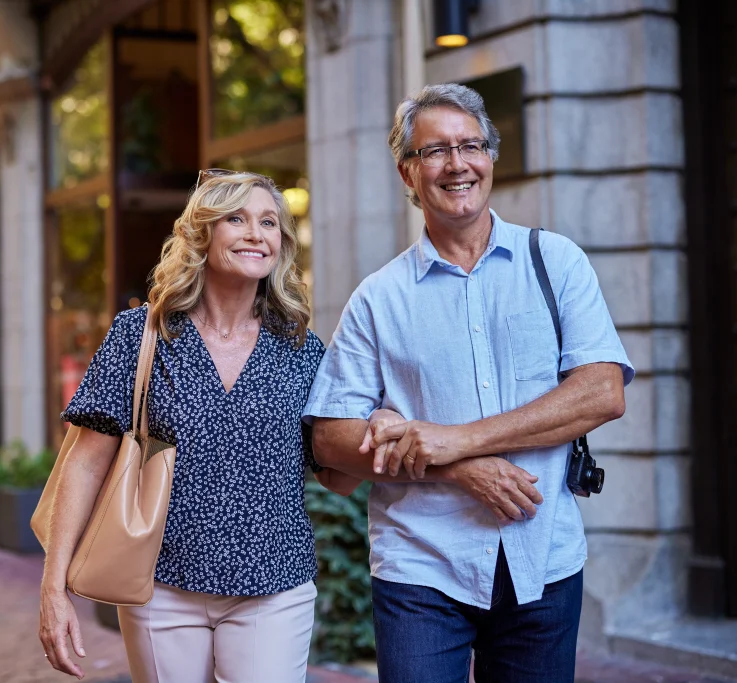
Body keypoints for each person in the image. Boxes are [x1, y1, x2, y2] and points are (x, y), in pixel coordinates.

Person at [304, 83, 634, 683]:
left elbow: (602, 392)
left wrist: (457, 440)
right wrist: (452, 467)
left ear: (490, 158)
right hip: (420, 569)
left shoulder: (555, 261)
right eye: (435, 152)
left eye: (471, 146)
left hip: (544, 561)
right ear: (408, 173)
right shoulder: (379, 298)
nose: (457, 164)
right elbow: (328, 441)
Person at [38, 170, 359, 683]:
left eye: (270, 222)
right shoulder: (141, 335)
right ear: (202, 232)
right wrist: (54, 589)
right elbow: (84, 462)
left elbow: (335, 474)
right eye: (237, 218)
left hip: (273, 588)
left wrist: (379, 431)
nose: (257, 233)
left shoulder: (301, 349)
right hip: (159, 586)